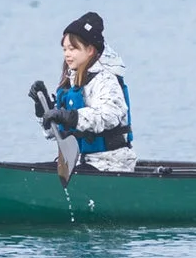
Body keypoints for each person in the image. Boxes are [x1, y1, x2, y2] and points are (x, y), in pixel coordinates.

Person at [39, 11, 135, 172]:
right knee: (40, 169)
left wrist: (71, 117)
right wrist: (43, 111)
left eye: (73, 48)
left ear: (90, 50)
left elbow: (110, 115)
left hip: (110, 164)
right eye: (64, 49)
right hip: (79, 163)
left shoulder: (106, 80)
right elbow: (52, 134)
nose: (67, 54)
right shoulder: (70, 82)